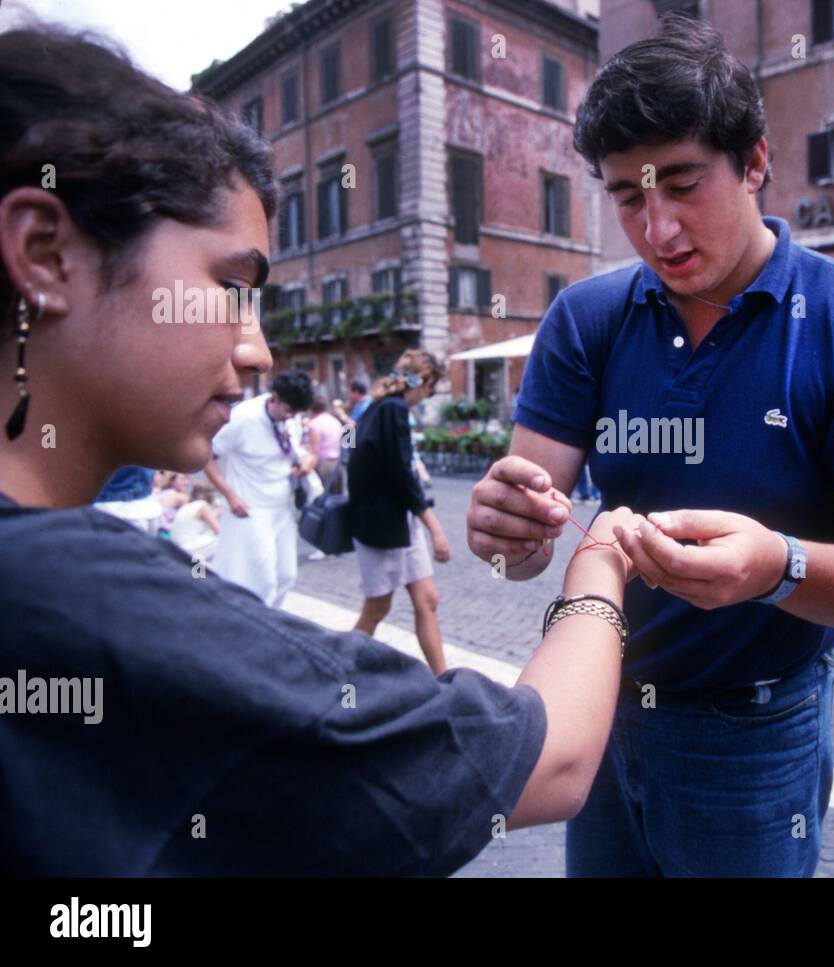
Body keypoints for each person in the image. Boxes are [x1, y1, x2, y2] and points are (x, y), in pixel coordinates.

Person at [0, 21, 646, 876]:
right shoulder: (80, 598)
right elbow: (554, 760)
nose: (260, 349)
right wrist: (601, 561)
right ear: (46, 253)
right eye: (232, 289)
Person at [466, 14, 834, 877]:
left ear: (755, 160)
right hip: (602, 708)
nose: (658, 230)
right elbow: (526, 548)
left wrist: (779, 567)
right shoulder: (586, 318)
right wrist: (509, 531)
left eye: (683, 184)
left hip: (757, 729)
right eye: (626, 198)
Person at [347, 350, 453, 674]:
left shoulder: (378, 408)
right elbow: (402, 477)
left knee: (427, 599)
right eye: (430, 388)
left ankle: (444, 679)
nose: (428, 396)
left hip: (395, 522)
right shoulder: (391, 410)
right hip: (383, 526)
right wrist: (436, 529)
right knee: (377, 606)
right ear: (420, 382)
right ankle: (339, 669)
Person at [203, 370, 314, 607]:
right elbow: (207, 457)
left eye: (295, 413)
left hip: (282, 507)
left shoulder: (289, 417)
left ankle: (271, 623)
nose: (291, 417)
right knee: (262, 580)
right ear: (274, 397)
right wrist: (230, 496)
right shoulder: (243, 417)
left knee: (287, 576)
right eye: (288, 411)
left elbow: (297, 450)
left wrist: (306, 462)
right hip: (252, 508)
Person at [171, 480, 221, 564]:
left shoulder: (187, 506)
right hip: (189, 549)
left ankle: (199, 571)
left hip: (177, 547)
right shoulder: (203, 506)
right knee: (222, 539)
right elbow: (218, 531)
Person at [306, 394, 345, 492]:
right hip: (338, 464)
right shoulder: (335, 421)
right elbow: (347, 441)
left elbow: (314, 452)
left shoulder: (314, 425)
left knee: (323, 501)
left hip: (322, 466)